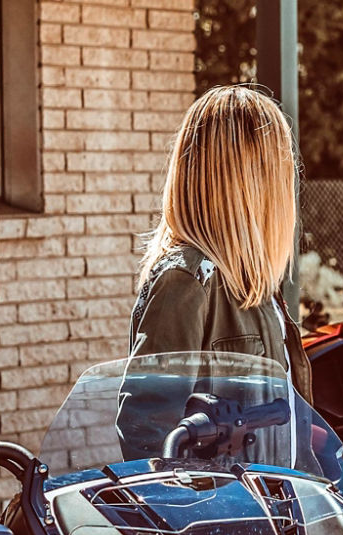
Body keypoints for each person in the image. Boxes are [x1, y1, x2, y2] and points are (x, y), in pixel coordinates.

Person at [128, 84, 311, 400]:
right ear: (252, 180)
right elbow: (148, 430)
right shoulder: (186, 281)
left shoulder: (254, 282)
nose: (287, 180)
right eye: (278, 166)